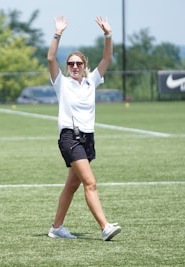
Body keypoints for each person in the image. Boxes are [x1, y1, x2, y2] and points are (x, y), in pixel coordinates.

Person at [46, 16, 121, 241]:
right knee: (90, 182)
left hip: (88, 138)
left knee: (72, 185)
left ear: (84, 66)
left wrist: (108, 34)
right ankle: (105, 226)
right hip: (70, 138)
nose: (75, 67)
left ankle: (56, 228)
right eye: (71, 64)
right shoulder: (62, 82)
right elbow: (50, 57)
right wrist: (58, 33)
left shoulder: (91, 81)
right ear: (67, 67)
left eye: (79, 63)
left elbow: (107, 57)